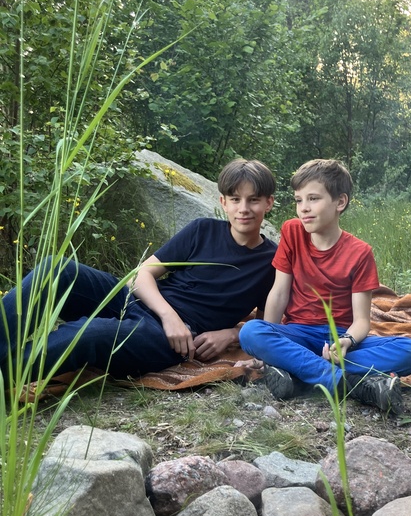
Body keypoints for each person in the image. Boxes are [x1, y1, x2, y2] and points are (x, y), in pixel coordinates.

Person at [0, 158, 276, 383]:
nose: (243, 209)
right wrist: (169, 315)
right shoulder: (202, 230)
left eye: (253, 200)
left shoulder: (273, 261)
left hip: (169, 339)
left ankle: (6, 376)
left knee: (91, 333)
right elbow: (141, 275)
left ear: (269, 203)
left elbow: (268, 326)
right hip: (140, 302)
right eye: (235, 199)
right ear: (223, 202)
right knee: (56, 269)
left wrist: (231, 334)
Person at [238, 159, 411, 414]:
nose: (303, 208)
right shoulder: (292, 232)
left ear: (340, 202)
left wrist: (347, 341)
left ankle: (298, 371)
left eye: (313, 199)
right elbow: (279, 292)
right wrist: (265, 350)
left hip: (339, 339)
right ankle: (351, 384)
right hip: (299, 334)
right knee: (251, 332)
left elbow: (361, 321)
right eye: (298, 200)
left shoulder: (360, 253)